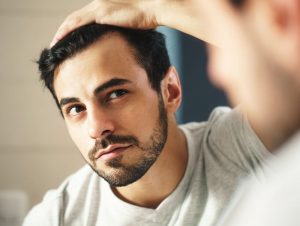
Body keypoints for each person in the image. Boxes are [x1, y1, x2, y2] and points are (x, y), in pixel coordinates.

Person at [50, 0, 300, 225]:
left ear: (170, 90)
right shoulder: (58, 215)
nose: (96, 128)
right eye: (75, 109)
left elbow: (281, 51)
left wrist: (153, 9)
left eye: (116, 94)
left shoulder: (242, 144)